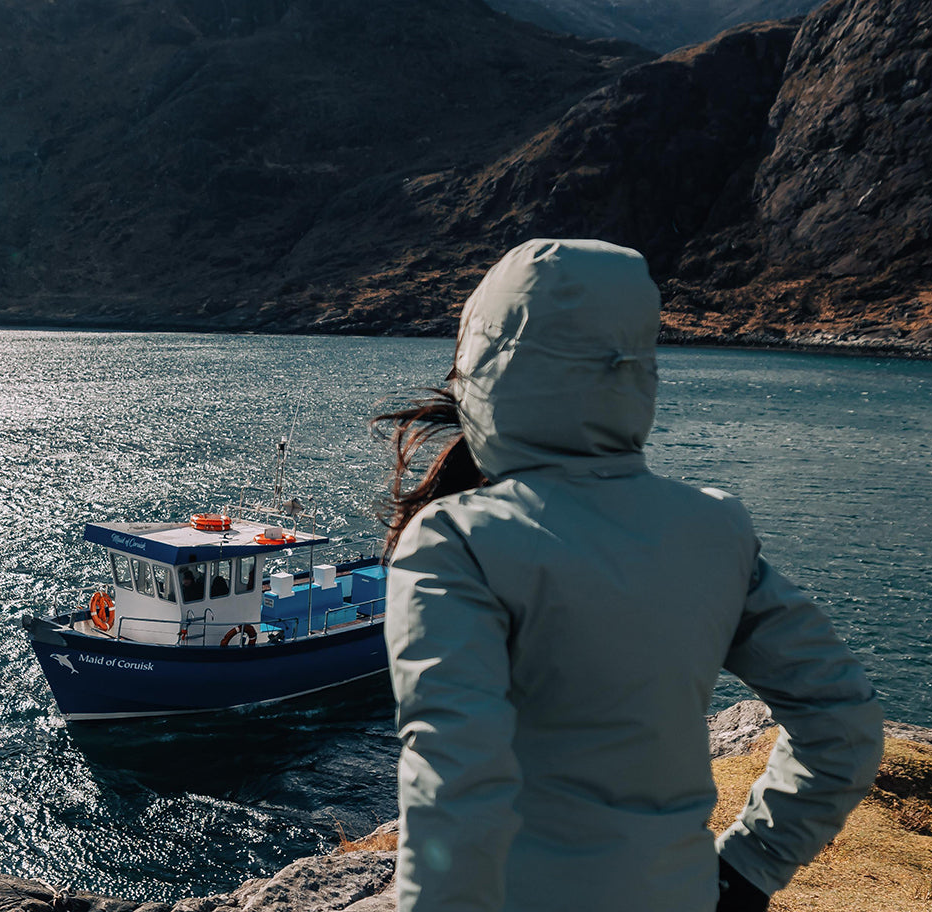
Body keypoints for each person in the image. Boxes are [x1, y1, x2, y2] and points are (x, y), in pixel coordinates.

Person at [377, 239, 883, 912]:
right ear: (635, 369)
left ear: (485, 368)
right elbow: (843, 723)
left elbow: (453, 788)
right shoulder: (716, 529)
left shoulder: (454, 541)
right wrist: (750, 867)